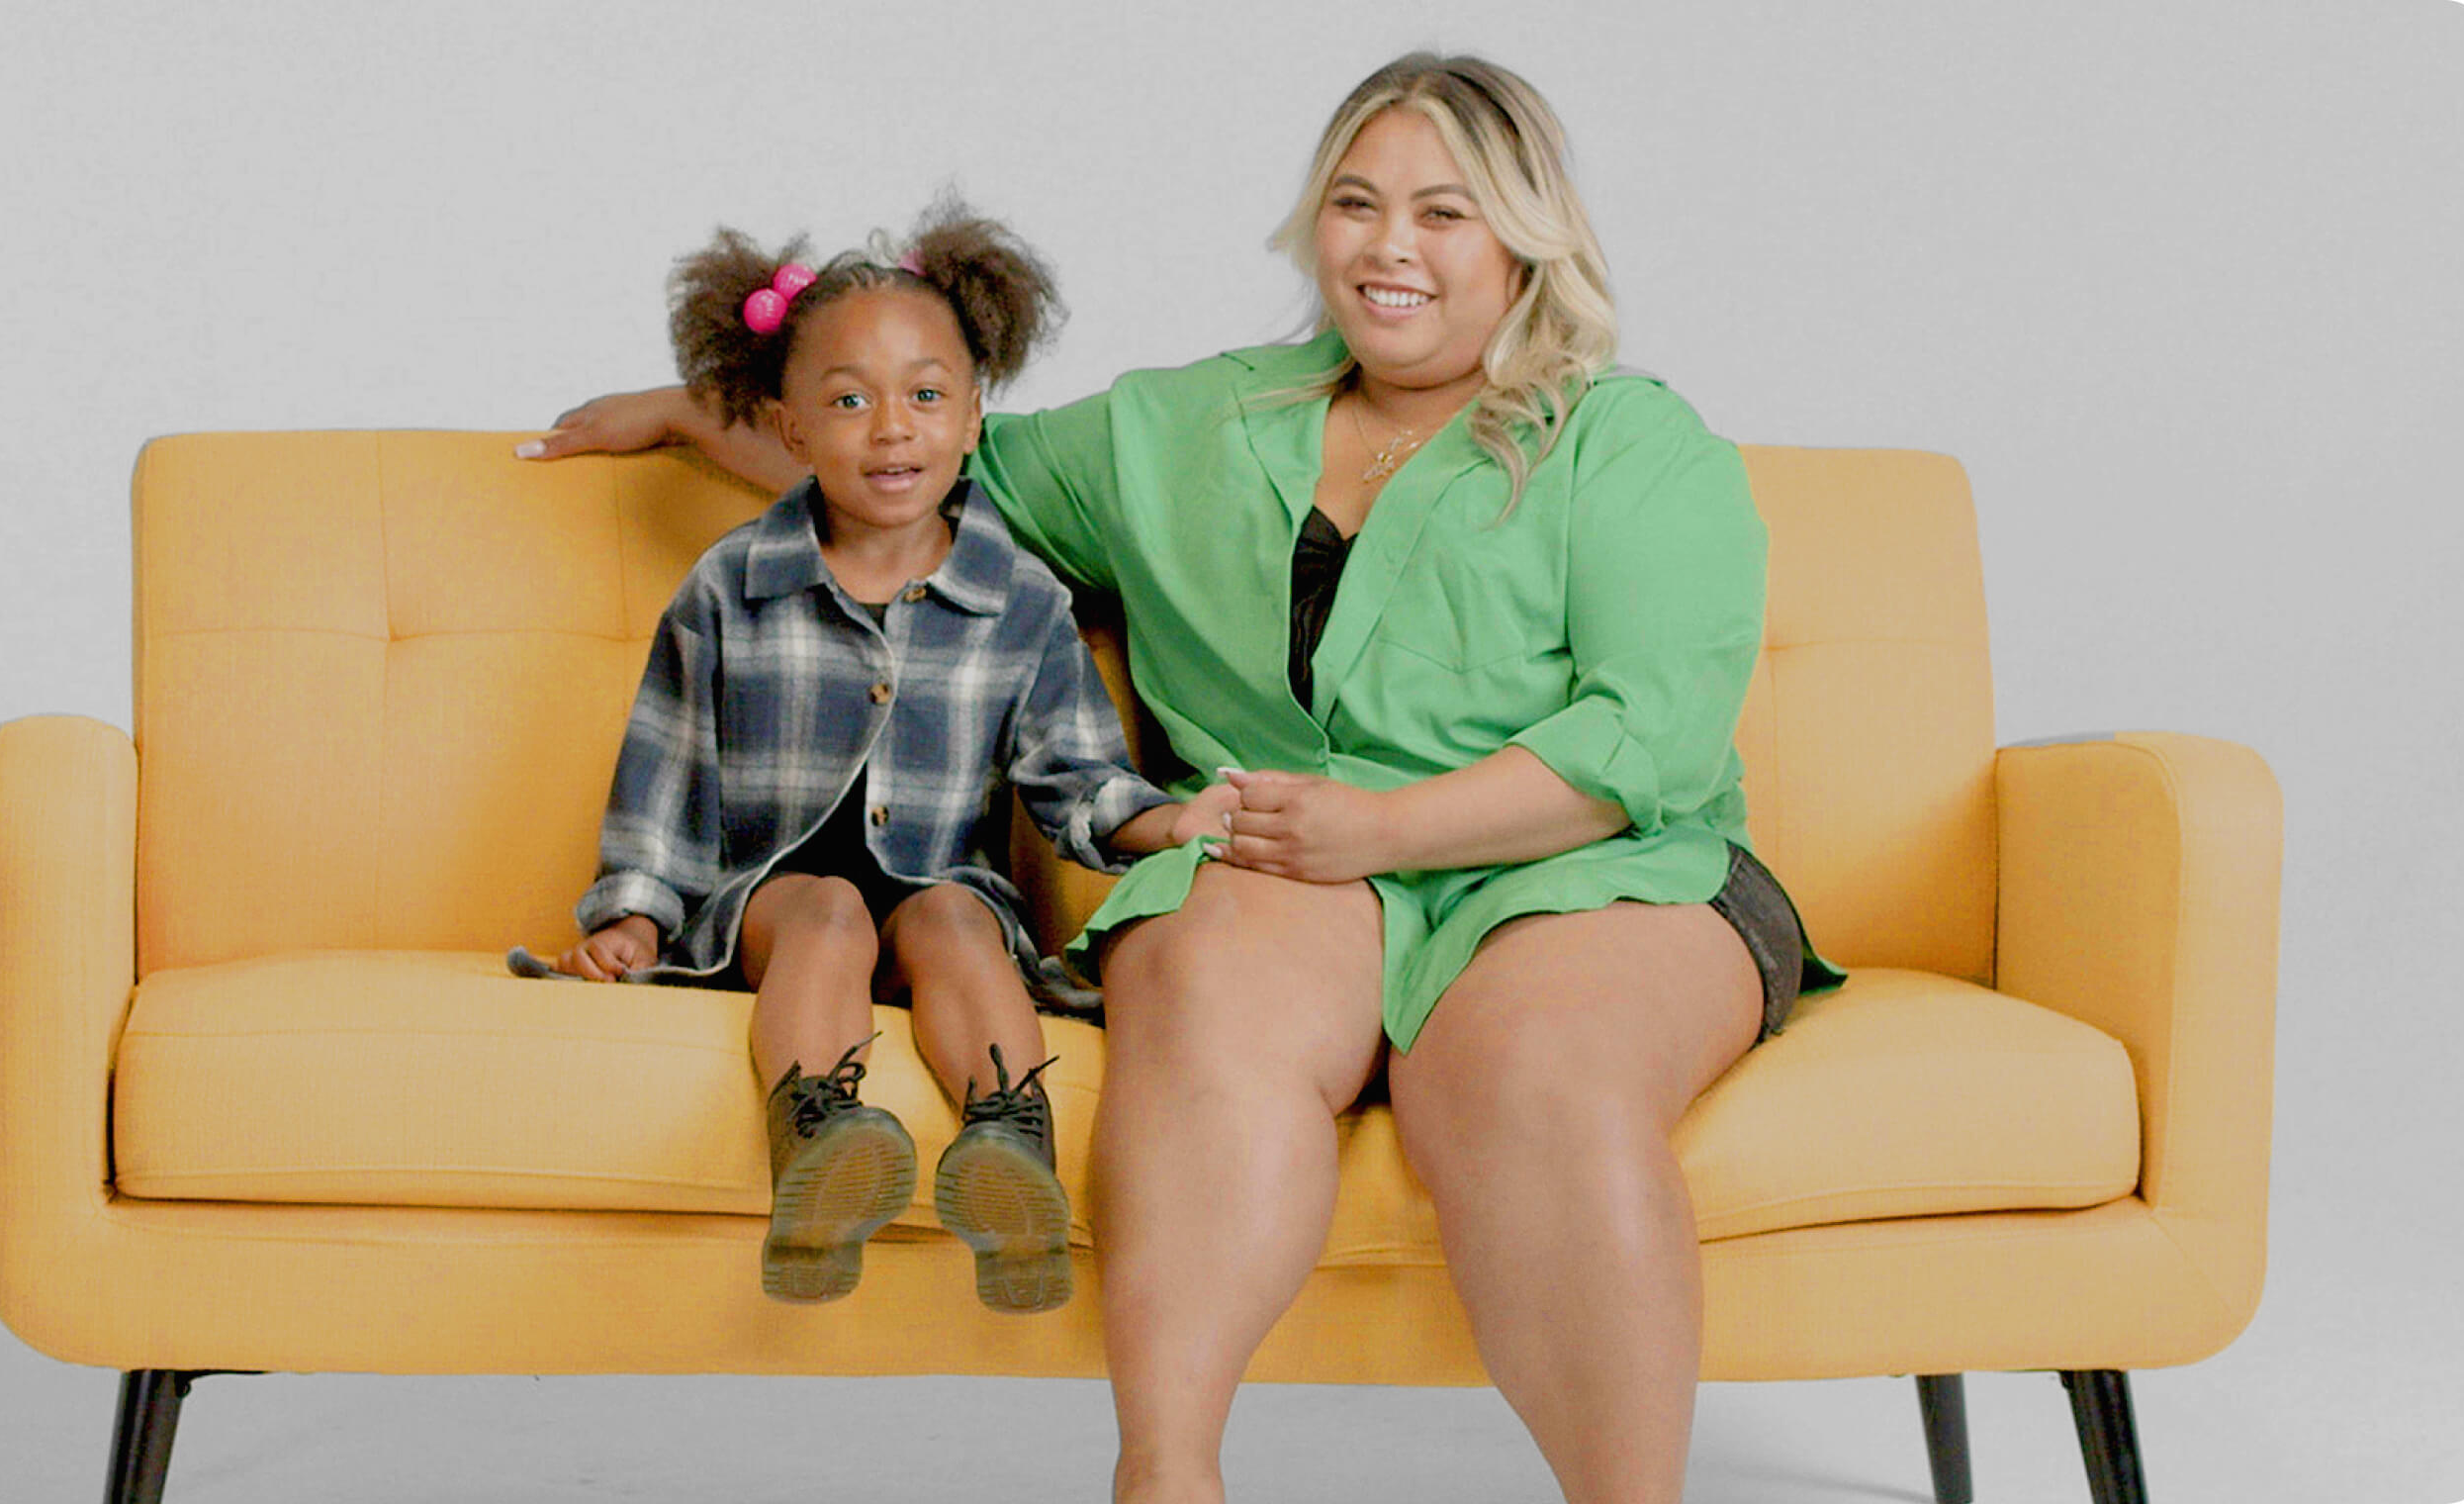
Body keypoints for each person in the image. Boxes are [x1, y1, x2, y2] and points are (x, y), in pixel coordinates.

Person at [521, 54, 1837, 1504]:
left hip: (1597, 868)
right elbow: (922, 456)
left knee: (1527, 1071)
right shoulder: (1190, 426)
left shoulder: (1629, 441)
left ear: (1527, 235)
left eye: (1443, 212)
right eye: (1356, 202)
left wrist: (1389, 826)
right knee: (1201, 990)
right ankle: (1166, 1478)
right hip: (1290, 864)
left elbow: (1649, 736)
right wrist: (689, 410)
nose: (1389, 246)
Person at [513, 201, 1237, 1315]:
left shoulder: (1018, 597)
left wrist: (1172, 820)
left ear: (975, 416)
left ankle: (1011, 1151)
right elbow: (667, 772)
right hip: (770, 902)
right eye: (849, 401)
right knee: (828, 910)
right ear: (790, 429)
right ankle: (821, 1146)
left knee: (954, 918)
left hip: (941, 888)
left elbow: (1077, 774)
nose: (891, 429)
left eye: (926, 396)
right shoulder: (731, 584)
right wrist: (634, 917)